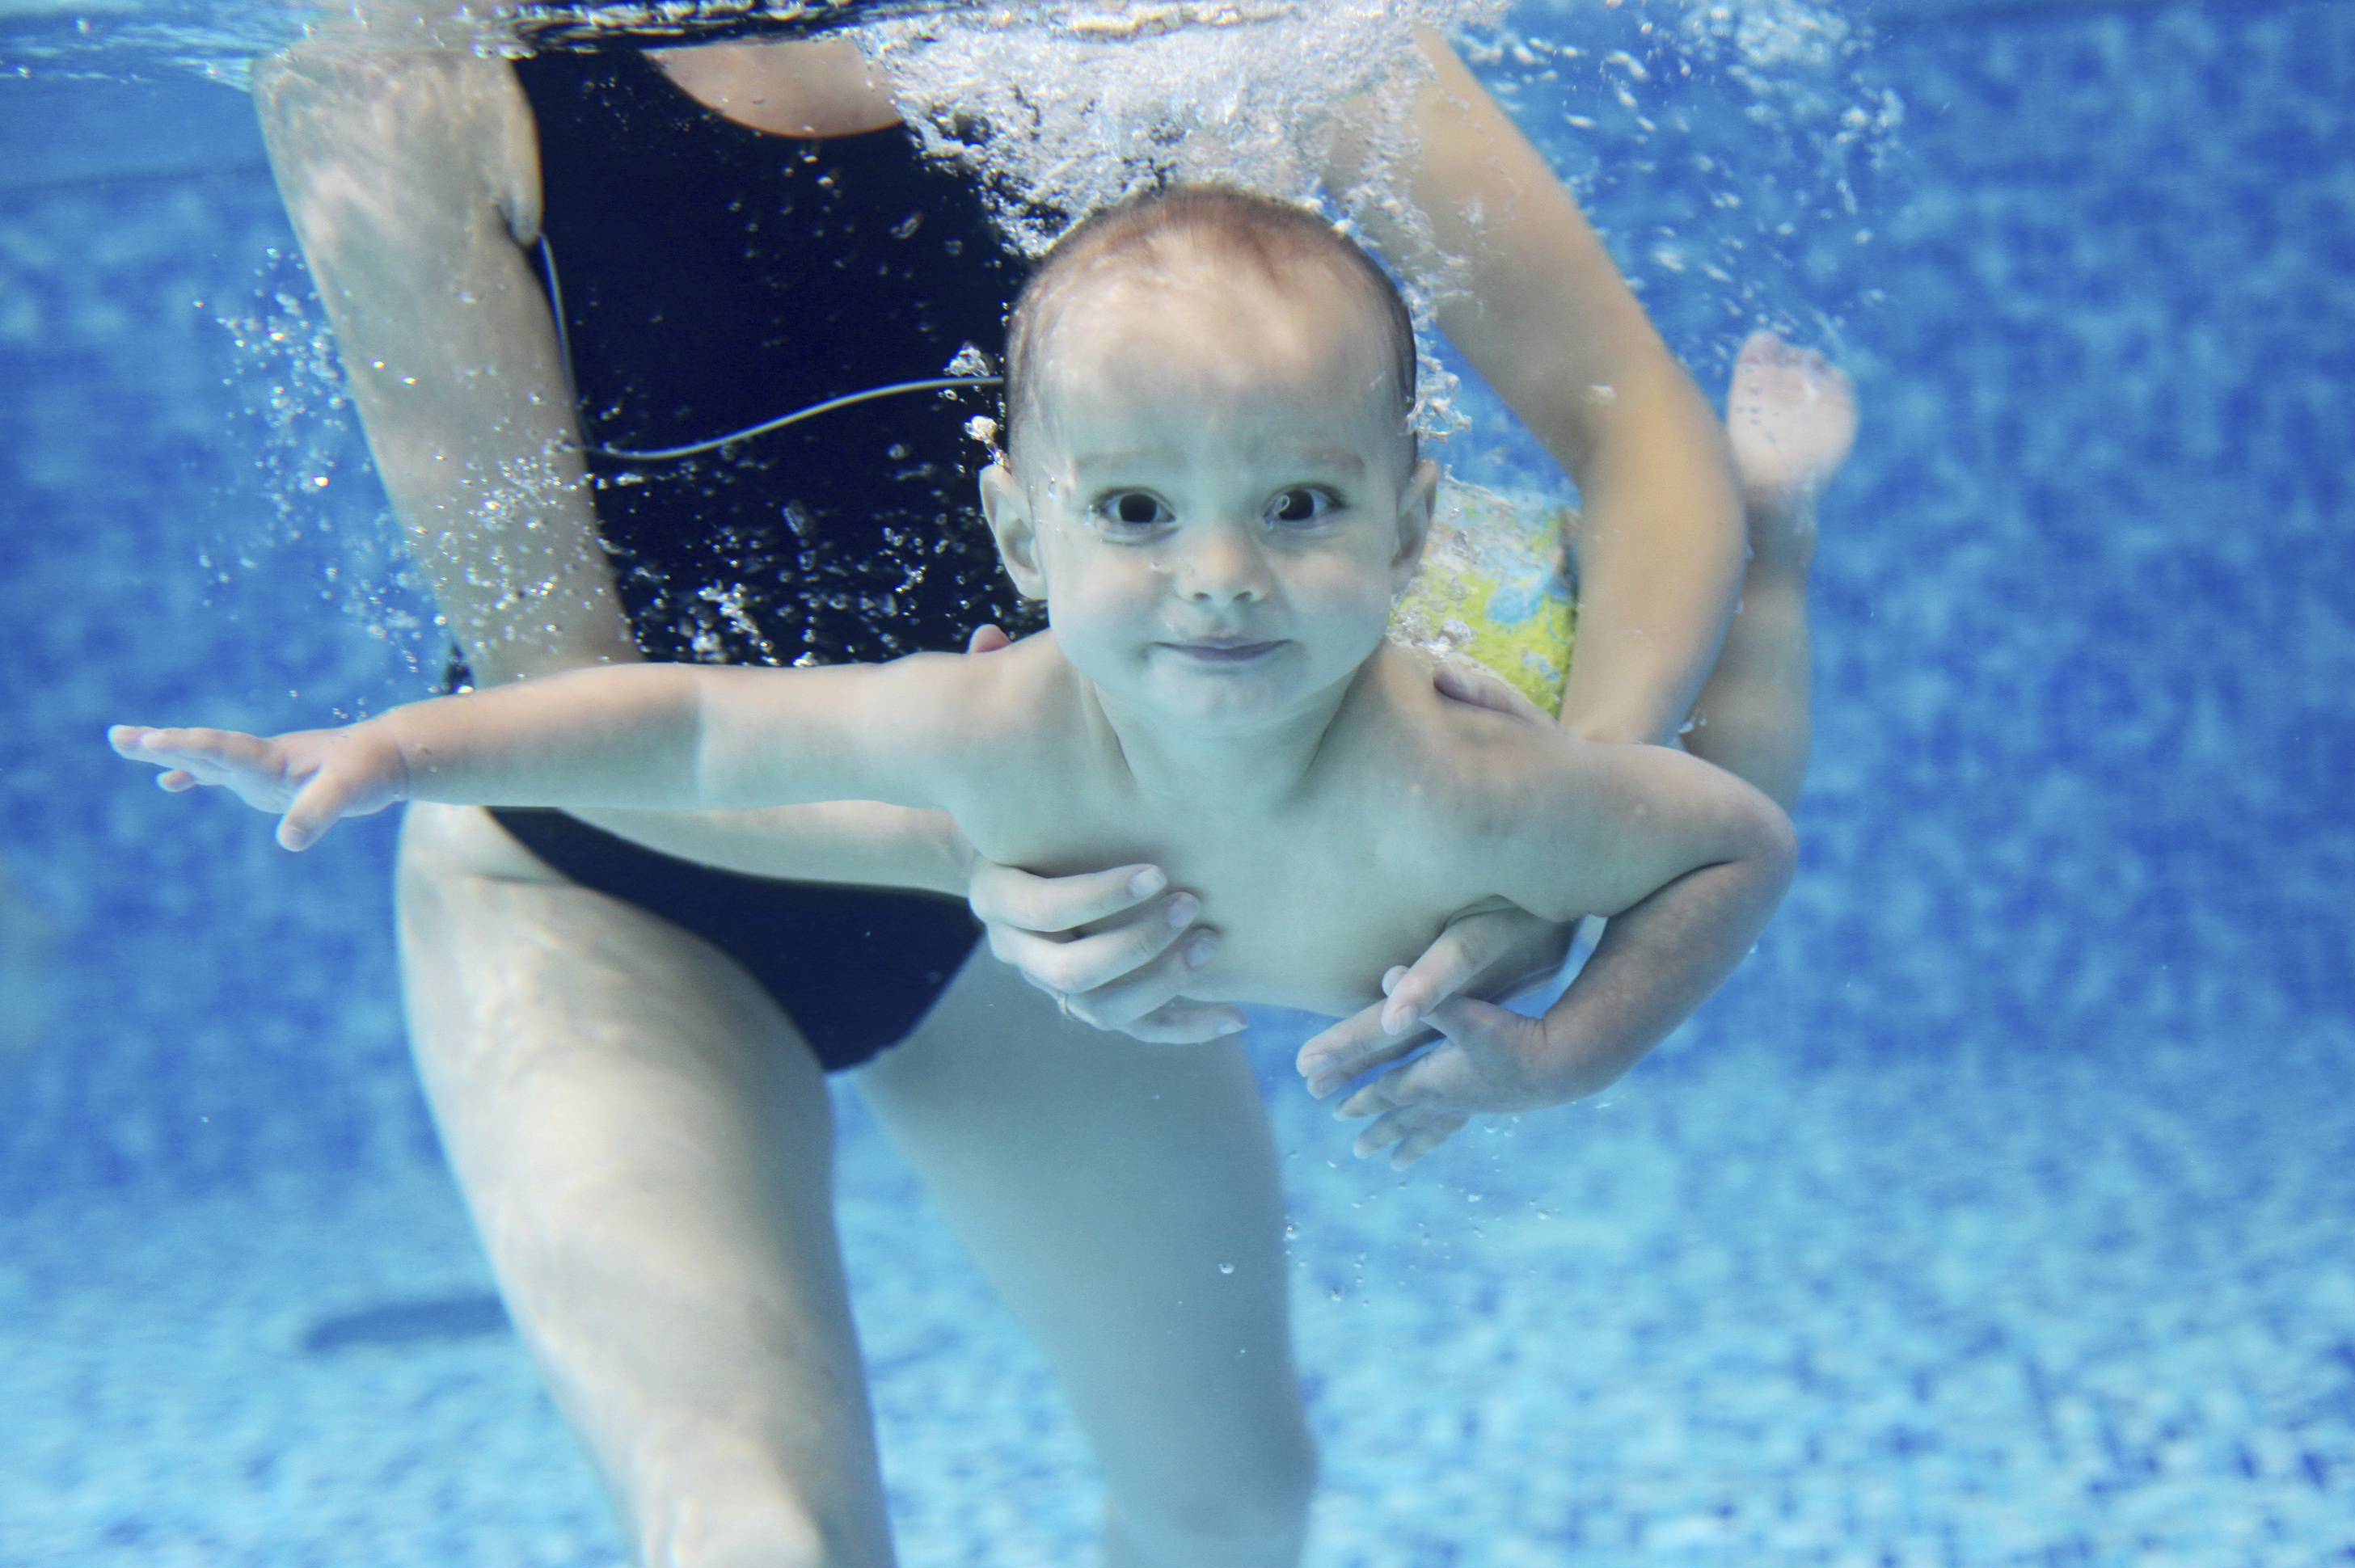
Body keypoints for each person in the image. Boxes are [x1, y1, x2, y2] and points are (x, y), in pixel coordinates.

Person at [236, 10, 1808, 1568]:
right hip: (612, 891)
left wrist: (1535, 826)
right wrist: (960, 850)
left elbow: (1637, 438)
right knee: (761, 1558)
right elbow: (566, 705)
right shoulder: (404, 73)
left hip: (1073, 872)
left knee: (1231, 1497)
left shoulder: (1213, 20)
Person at [116, 183, 1830, 1106]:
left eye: (1297, 508)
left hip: (1487, 645)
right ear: (1022, 536)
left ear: (1396, 519)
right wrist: (398, 748)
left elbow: (1739, 847)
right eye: (1138, 515)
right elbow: (697, 733)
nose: (1216, 580)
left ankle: (1786, 525)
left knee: (1717, 741)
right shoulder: (998, 722)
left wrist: (1556, 1053)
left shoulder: (1477, 781)